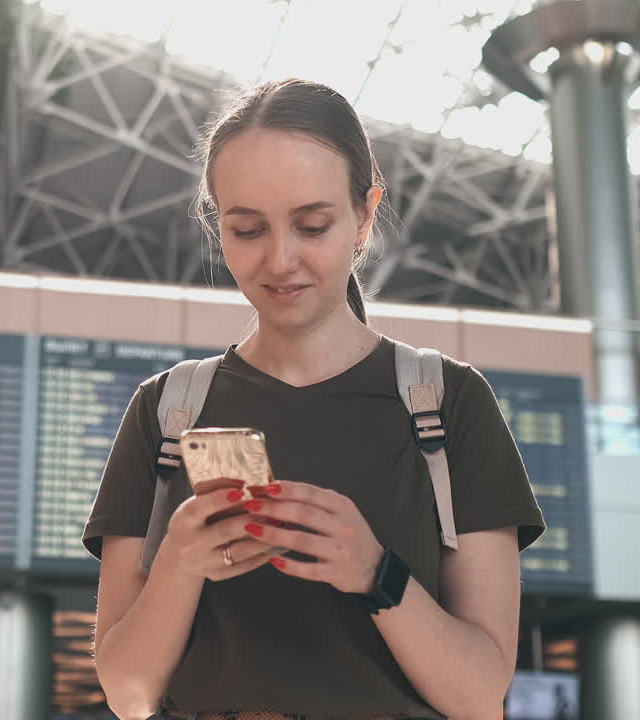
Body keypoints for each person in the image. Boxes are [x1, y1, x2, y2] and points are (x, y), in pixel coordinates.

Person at [82, 78, 546, 720]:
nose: (281, 260)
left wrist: (375, 572)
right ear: (219, 229)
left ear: (364, 215)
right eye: (247, 230)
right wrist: (180, 567)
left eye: (312, 225)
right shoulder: (168, 411)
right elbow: (128, 694)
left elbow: (479, 696)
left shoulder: (445, 404)